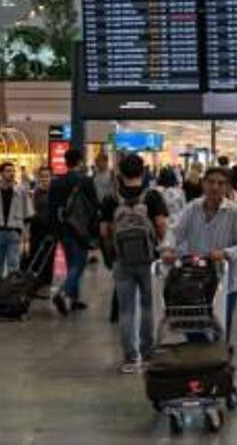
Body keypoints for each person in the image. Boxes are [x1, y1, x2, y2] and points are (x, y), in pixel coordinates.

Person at [161, 167, 237, 340]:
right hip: (193, 281)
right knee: (192, 326)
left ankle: (219, 350)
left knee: (221, 329)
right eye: (211, 182)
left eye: (221, 183)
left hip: (225, 283)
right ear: (203, 184)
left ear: (227, 187)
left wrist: (225, 253)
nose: (215, 187)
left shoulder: (236, 213)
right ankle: (201, 351)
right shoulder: (192, 208)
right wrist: (167, 248)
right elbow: (174, 231)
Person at [99, 154, 169, 373]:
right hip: (149, 259)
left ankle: (130, 359)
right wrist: (161, 245)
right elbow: (161, 224)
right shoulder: (152, 196)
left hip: (122, 259)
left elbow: (103, 230)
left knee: (126, 309)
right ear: (143, 171)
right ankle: (147, 355)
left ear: (120, 173)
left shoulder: (111, 198)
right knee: (148, 306)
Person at [48, 147, 99, 316]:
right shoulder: (85, 181)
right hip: (80, 229)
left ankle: (73, 299)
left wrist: (54, 230)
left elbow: (51, 208)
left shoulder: (56, 182)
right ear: (80, 162)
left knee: (71, 263)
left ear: (66, 162)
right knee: (78, 264)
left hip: (63, 229)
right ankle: (63, 292)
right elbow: (93, 206)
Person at [0, 161, 32, 283]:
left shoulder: (21, 192)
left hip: (14, 231)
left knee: (14, 266)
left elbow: (28, 213)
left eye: (13, 171)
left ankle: (11, 291)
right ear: (1, 173)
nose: (12, 173)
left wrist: (27, 233)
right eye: (8, 171)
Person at [27, 165, 55, 286]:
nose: (44, 179)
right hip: (36, 228)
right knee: (35, 253)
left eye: (47, 176)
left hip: (50, 228)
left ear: (51, 177)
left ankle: (47, 280)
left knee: (49, 255)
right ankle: (36, 279)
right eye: (42, 176)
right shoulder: (36, 192)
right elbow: (31, 210)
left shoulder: (55, 192)